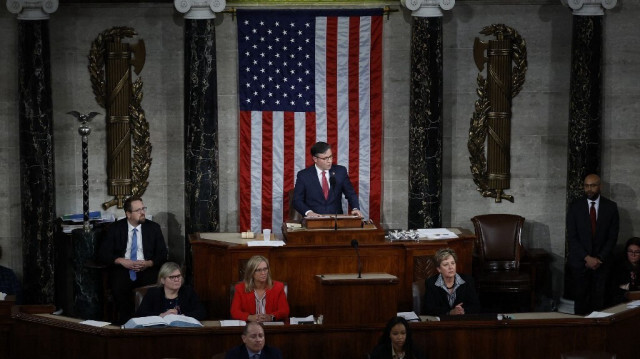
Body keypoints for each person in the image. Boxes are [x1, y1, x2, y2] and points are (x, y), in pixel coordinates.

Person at [98, 195, 168, 324]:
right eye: (138, 210)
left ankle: (149, 323)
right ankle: (125, 325)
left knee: (153, 290)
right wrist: (120, 260)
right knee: (120, 289)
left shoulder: (153, 228)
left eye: (143, 208)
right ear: (128, 214)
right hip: (123, 270)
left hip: (147, 269)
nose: (143, 212)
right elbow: (103, 254)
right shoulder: (115, 229)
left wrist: (149, 263)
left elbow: (163, 254)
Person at [567, 174, 619, 315]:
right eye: (586, 185)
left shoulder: (611, 207)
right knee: (581, 302)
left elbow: (612, 237)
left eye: (593, 185)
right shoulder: (575, 207)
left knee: (600, 301)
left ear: (600, 186)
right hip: (580, 263)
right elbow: (572, 237)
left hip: (602, 263)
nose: (589, 189)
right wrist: (586, 257)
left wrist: (599, 258)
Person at [292, 141, 362, 218]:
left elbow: (351, 194)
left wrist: (355, 208)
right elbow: (297, 200)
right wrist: (308, 212)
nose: (330, 161)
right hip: (313, 221)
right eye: (325, 158)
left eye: (331, 156)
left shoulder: (340, 171)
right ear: (315, 159)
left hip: (336, 221)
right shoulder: (304, 175)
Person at [134, 262, 206, 320]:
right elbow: (140, 314)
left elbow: (201, 312)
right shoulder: (153, 293)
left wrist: (183, 316)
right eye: (172, 277)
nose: (177, 280)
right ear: (162, 280)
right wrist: (161, 315)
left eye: (178, 276)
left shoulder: (188, 292)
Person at [424, 248, 481, 317]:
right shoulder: (431, 283)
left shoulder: (467, 281)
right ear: (439, 269)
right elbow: (428, 309)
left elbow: (476, 306)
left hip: (462, 322)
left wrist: (463, 311)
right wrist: (450, 312)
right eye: (446, 264)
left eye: (453, 263)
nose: (451, 267)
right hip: (442, 324)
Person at [230, 255, 289, 322]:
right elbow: (234, 312)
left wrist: (271, 317)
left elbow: (284, 311)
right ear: (251, 272)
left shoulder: (278, 287)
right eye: (258, 270)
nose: (263, 273)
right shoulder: (240, 288)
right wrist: (249, 317)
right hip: (250, 328)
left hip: (271, 327)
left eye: (265, 269)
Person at [610, 237, 640, 305]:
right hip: (621, 303)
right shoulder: (618, 267)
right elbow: (614, 290)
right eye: (630, 251)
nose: (633, 254)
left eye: (637, 252)